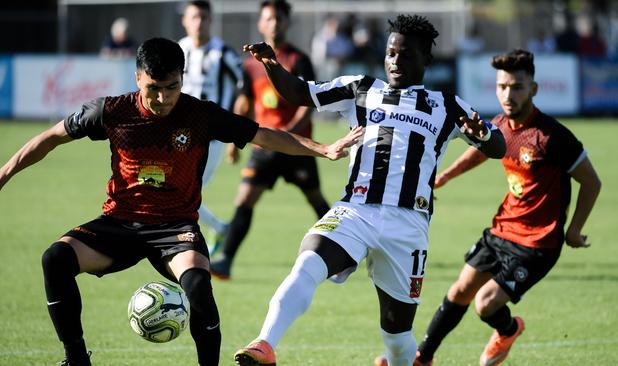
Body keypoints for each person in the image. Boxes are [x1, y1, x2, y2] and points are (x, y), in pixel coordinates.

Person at [0, 37, 363, 366]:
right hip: (119, 224)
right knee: (54, 259)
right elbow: (51, 136)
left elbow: (263, 134)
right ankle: (77, 360)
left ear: (182, 79)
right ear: (138, 78)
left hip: (175, 228)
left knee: (198, 286)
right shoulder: (111, 111)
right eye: (153, 88)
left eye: (172, 87)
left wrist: (322, 149)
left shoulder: (199, 115)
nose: (162, 98)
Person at [232, 14, 506, 366]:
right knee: (307, 263)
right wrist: (272, 65)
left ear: (426, 59)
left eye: (405, 55)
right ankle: (264, 344)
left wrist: (483, 134)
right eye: (391, 53)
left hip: (407, 226)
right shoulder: (361, 89)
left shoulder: (447, 106)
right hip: (356, 210)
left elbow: (498, 146)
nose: (395, 61)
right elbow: (300, 92)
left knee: (397, 335)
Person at [381, 49, 601, 366]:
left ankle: (509, 330)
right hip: (502, 230)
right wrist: (445, 176)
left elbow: (592, 182)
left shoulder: (552, 137)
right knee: (459, 291)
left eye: (517, 86)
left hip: (537, 243)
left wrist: (575, 229)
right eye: (502, 87)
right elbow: (481, 151)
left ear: (533, 89)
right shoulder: (500, 124)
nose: (508, 94)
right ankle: (422, 358)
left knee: (485, 304)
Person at [210, 0, 332, 280]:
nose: (274, 23)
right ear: (260, 23)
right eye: (269, 18)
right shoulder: (249, 64)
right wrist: (232, 141)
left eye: (279, 18)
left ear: (288, 23)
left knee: (316, 200)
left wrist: (290, 130)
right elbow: (244, 103)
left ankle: (346, 248)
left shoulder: (298, 60)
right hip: (264, 145)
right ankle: (226, 260)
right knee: (244, 200)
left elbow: (309, 101)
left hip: (297, 146)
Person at [178, 0, 244, 254]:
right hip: (181, 135)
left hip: (212, 137)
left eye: (203, 17)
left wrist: (234, 133)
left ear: (210, 20)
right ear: (185, 20)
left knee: (187, 194)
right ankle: (216, 229)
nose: (198, 22)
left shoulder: (223, 53)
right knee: (180, 192)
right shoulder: (179, 50)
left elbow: (244, 89)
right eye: (193, 17)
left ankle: (194, 241)